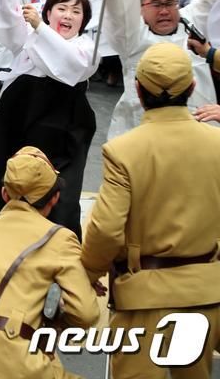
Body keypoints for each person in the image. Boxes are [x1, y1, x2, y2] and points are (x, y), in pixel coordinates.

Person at [81, 43, 220, 378]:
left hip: (144, 298)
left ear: (139, 92)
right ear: (192, 87)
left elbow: (106, 229)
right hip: (206, 292)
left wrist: (90, 271)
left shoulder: (123, 151)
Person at [0, 146, 100, 379]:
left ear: (4, 194)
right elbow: (86, 314)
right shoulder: (60, 239)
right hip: (13, 362)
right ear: (55, 197)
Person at [0, 0, 98, 239]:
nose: (68, 16)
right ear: (48, 12)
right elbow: (4, 14)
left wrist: (40, 29)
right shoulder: (29, 34)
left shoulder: (86, 47)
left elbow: (72, 66)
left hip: (64, 127)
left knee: (61, 194)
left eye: (76, 11)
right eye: (61, 8)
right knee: (7, 180)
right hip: (17, 118)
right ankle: (0, 242)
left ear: (84, 20)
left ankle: (58, 248)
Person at [99, 0, 220, 139]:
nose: (164, 11)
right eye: (156, 4)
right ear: (141, 10)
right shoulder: (133, 37)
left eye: (170, 3)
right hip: (144, 134)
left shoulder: (192, 23)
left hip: (198, 130)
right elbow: (119, 16)